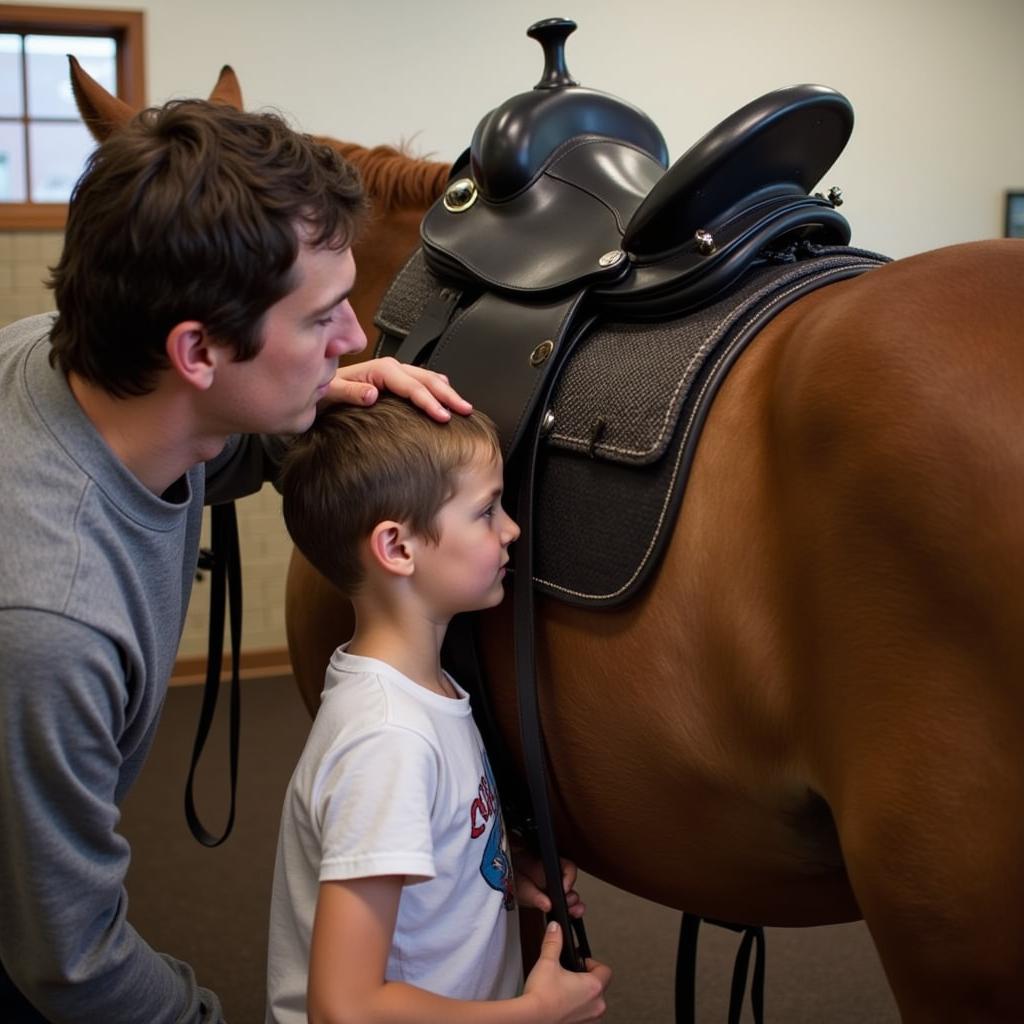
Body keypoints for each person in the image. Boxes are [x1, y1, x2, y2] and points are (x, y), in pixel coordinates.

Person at [0, 99, 470, 1023]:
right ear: (197, 350)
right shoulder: (52, 626)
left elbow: (204, 447)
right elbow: (71, 964)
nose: (352, 343)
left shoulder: (51, 355)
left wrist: (327, 406)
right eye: (326, 319)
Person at [268, 397, 611, 1023]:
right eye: (485, 512)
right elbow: (343, 1008)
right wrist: (534, 1014)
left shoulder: (430, 691)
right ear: (397, 548)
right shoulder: (387, 740)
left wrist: (493, 867)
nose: (510, 530)